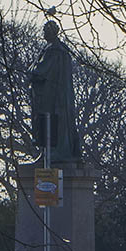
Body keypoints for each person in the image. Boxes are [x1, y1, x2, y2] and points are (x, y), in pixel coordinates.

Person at [30, 19, 81, 162]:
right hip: (56, 94)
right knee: (50, 122)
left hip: (51, 95)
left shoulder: (54, 50)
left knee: (48, 121)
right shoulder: (60, 49)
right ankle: (47, 152)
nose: (43, 33)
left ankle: (52, 152)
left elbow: (39, 72)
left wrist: (31, 71)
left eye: (46, 30)